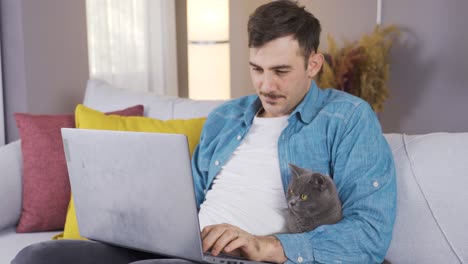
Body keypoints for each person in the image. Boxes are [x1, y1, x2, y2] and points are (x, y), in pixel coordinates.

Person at [12, 1, 396, 264]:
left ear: (314, 64)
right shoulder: (226, 118)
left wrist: (268, 246)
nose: (265, 85)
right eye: (256, 69)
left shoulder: (347, 119)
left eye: (280, 71)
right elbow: (187, 198)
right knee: (38, 257)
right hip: (184, 247)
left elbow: (370, 234)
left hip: (245, 256)